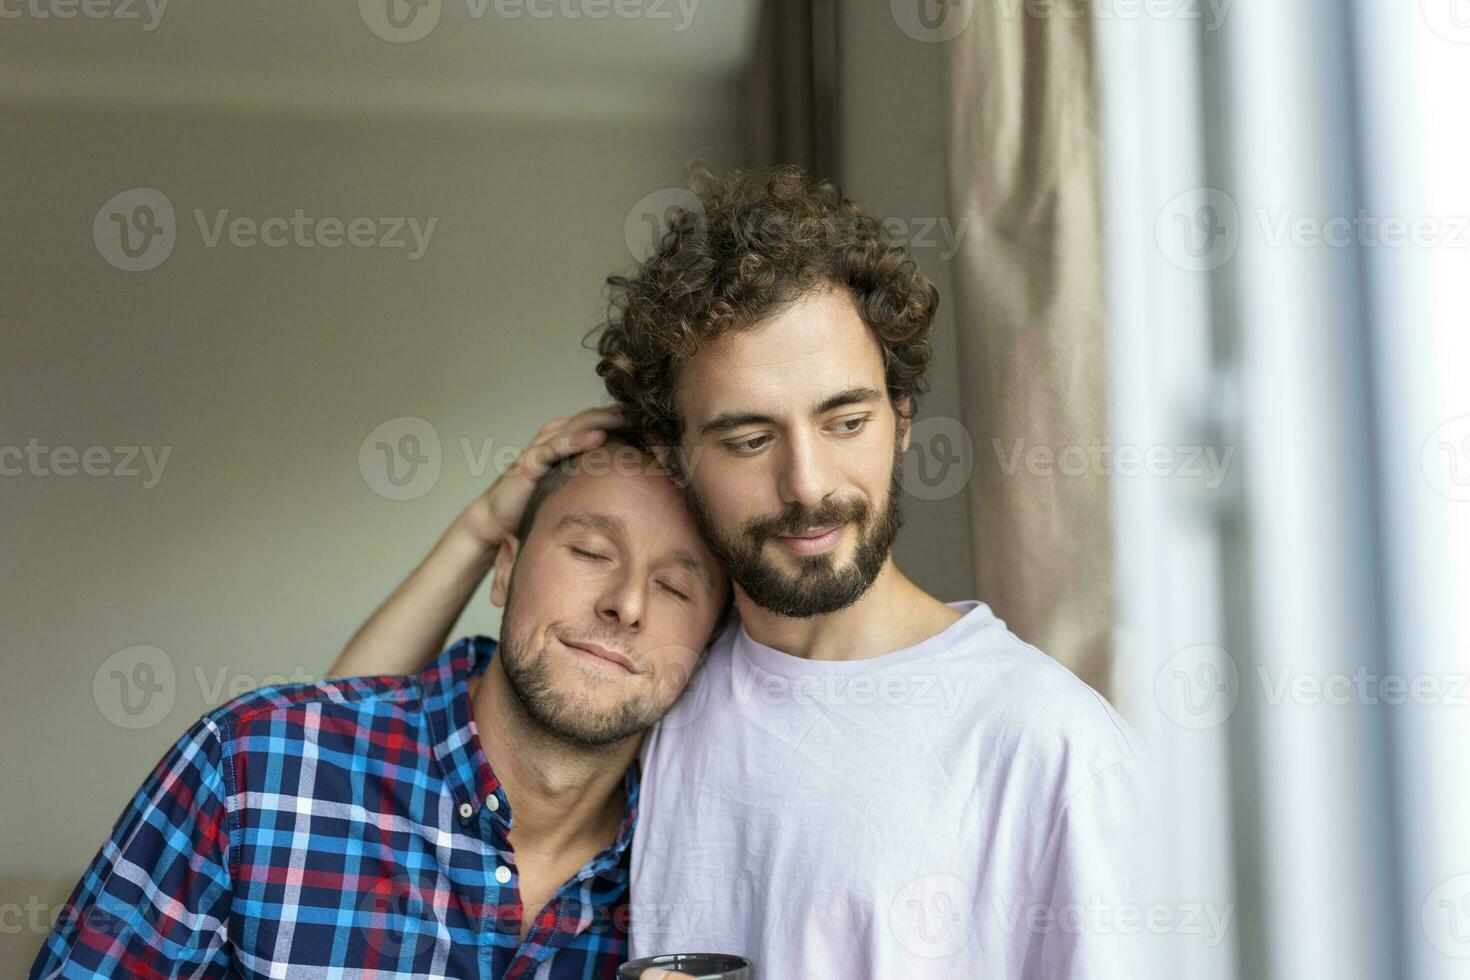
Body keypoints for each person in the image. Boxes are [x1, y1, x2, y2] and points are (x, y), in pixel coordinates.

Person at [336, 165, 1142, 978]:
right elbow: (340, 761)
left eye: (846, 421)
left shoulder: (1048, 744)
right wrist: (482, 528)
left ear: (901, 424)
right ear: (675, 459)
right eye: (749, 439)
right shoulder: (663, 678)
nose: (809, 485)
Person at [30, 417, 730, 979]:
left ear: (708, 647)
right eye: (589, 552)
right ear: (505, 567)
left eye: (676, 588)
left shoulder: (701, 872)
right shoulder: (249, 770)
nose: (628, 603)